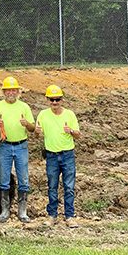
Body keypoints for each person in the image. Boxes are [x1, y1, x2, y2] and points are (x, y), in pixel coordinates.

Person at [35, 85, 81, 229]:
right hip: (52, 155)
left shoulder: (70, 115)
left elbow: (78, 135)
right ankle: (52, 215)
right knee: (52, 186)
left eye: (57, 99)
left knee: (69, 187)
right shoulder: (43, 115)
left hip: (67, 154)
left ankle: (69, 216)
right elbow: (37, 134)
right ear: (47, 100)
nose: (55, 102)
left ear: (62, 99)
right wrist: (36, 131)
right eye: (52, 100)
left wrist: (71, 131)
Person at [0, 76, 35, 224]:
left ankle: (22, 211)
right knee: (3, 179)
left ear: (18, 91)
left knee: (24, 179)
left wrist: (26, 123)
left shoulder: (24, 107)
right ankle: (5, 210)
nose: (11, 92)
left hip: (21, 145)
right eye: (8, 90)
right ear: (4, 92)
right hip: (4, 146)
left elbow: (33, 128)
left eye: (13, 90)